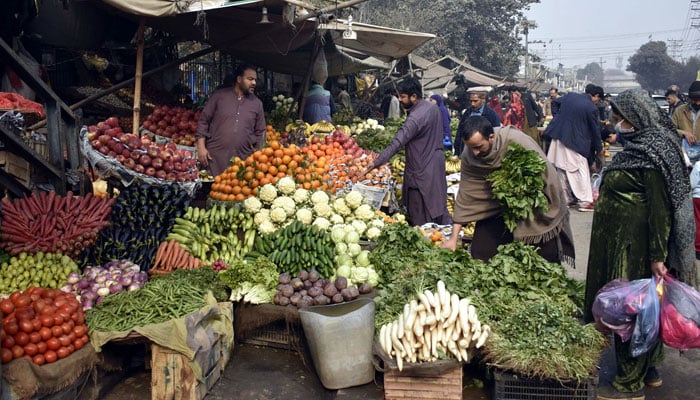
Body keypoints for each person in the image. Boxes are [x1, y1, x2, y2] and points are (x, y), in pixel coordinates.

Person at [583, 89, 696, 400]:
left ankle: (628, 384)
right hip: (620, 241)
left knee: (628, 310)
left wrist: (658, 256)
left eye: (621, 117)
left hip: (634, 247)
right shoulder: (641, 147)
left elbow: (662, 210)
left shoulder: (653, 152)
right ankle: (649, 370)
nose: (616, 122)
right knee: (647, 308)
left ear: (637, 117)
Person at [440, 115, 575, 263]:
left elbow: (545, 175)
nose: (475, 153)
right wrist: (453, 238)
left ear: (491, 137)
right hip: (493, 205)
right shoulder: (469, 156)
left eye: (478, 147)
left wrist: (520, 194)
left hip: (529, 203)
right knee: (481, 251)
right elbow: (466, 194)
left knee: (541, 253)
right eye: (471, 148)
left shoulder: (515, 141)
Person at [363, 78, 451, 226]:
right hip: (436, 166)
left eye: (403, 96)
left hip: (421, 170)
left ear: (414, 97)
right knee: (437, 206)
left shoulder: (416, 118)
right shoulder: (433, 108)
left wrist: (376, 162)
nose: (399, 99)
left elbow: (397, 142)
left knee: (421, 214)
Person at [196, 63, 266, 177]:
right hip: (214, 158)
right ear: (239, 79)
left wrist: (257, 158)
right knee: (211, 190)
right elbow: (204, 121)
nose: (254, 83)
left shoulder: (257, 104)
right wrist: (201, 147)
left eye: (255, 80)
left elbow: (261, 133)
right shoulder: (219, 96)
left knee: (235, 193)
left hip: (242, 162)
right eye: (250, 79)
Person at [544, 84, 604, 212]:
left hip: (559, 136)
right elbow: (595, 131)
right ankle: (585, 201)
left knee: (562, 168)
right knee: (579, 169)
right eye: (599, 100)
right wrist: (599, 149)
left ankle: (566, 199)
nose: (598, 103)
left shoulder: (570, 97)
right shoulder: (591, 108)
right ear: (596, 96)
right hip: (575, 140)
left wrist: (558, 118)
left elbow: (555, 103)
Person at [454, 90, 502, 156]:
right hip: (467, 150)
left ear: (483, 100)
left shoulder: (491, 114)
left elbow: (496, 134)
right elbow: (460, 132)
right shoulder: (467, 113)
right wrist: (457, 151)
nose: (472, 104)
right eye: (471, 101)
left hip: (483, 152)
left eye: (475, 101)